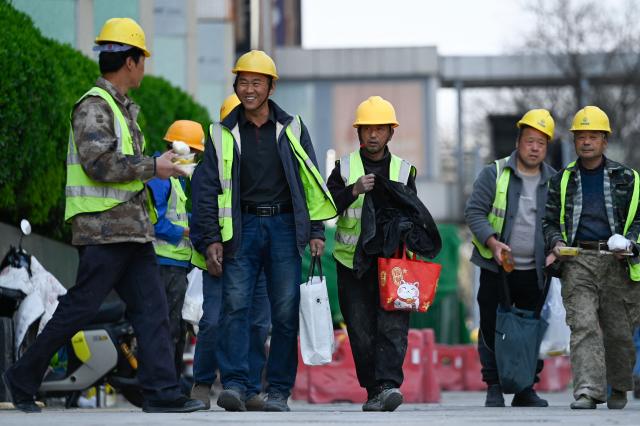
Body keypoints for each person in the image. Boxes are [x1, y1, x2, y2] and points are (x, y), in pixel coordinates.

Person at [1, 18, 204, 413]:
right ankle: (22, 377)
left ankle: (162, 393)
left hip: (131, 232)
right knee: (78, 309)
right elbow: (99, 163)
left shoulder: (122, 108)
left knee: (154, 312)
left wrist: (156, 168)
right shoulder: (95, 106)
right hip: (103, 232)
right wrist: (153, 167)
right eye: (142, 58)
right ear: (130, 62)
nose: (144, 66)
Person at [192, 50, 336, 412]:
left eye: (257, 82)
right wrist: (211, 238)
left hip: (285, 228)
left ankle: (278, 391)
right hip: (241, 229)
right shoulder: (222, 133)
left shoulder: (292, 129)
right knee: (235, 308)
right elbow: (206, 188)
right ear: (235, 85)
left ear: (271, 87)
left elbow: (311, 182)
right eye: (243, 82)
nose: (249, 89)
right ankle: (237, 386)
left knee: (284, 313)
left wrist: (316, 230)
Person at [326, 96, 431, 412]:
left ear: (390, 133)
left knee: (393, 326)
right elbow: (325, 207)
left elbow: (415, 214)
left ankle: (388, 386)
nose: (373, 135)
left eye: (380, 129)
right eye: (367, 129)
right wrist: (353, 190)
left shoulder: (404, 170)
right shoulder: (343, 169)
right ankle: (374, 390)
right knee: (359, 329)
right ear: (359, 133)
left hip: (393, 262)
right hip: (351, 263)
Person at [543, 106, 640, 410]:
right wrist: (556, 242)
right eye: (581, 137)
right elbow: (548, 222)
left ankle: (620, 386)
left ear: (604, 141)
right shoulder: (562, 180)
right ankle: (588, 390)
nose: (586, 142)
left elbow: (639, 219)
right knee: (583, 325)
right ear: (574, 141)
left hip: (617, 261)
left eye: (593, 136)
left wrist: (630, 243)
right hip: (578, 260)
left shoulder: (628, 178)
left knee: (619, 331)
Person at [465, 109, 556, 408]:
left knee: (530, 330)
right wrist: (492, 242)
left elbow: (559, 223)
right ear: (518, 140)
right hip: (496, 267)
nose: (534, 148)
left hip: (536, 272)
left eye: (541, 143)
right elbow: (474, 212)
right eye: (529, 141)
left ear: (547, 147)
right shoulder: (494, 172)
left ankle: (524, 388)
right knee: (491, 325)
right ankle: (493, 385)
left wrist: (555, 249)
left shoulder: (554, 182)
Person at [189, 94, 271, 411]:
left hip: (258, 259)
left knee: (257, 324)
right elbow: (201, 211)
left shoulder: (266, 164)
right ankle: (202, 383)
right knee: (213, 321)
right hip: (221, 260)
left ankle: (248, 388)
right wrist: (210, 246)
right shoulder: (212, 166)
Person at [148, 120, 204, 378]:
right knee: (169, 327)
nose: (194, 159)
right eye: (192, 153)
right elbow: (154, 221)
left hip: (176, 265)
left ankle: (172, 381)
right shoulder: (160, 178)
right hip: (164, 264)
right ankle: (166, 382)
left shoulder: (175, 179)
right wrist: (186, 231)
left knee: (177, 327)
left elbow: (179, 214)